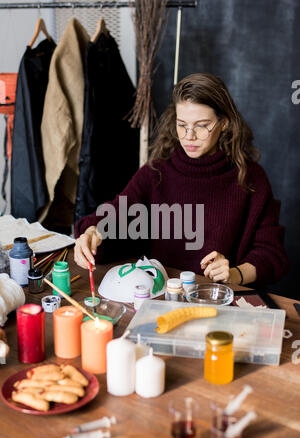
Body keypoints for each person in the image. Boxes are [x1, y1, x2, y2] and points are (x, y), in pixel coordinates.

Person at [74, 73, 289, 287]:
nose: (189, 136)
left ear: (224, 123)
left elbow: (271, 254)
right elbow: (113, 216)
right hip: (161, 296)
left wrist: (234, 274)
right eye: (182, 124)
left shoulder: (251, 179)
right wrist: (92, 232)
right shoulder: (155, 173)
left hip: (220, 301)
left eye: (202, 125)